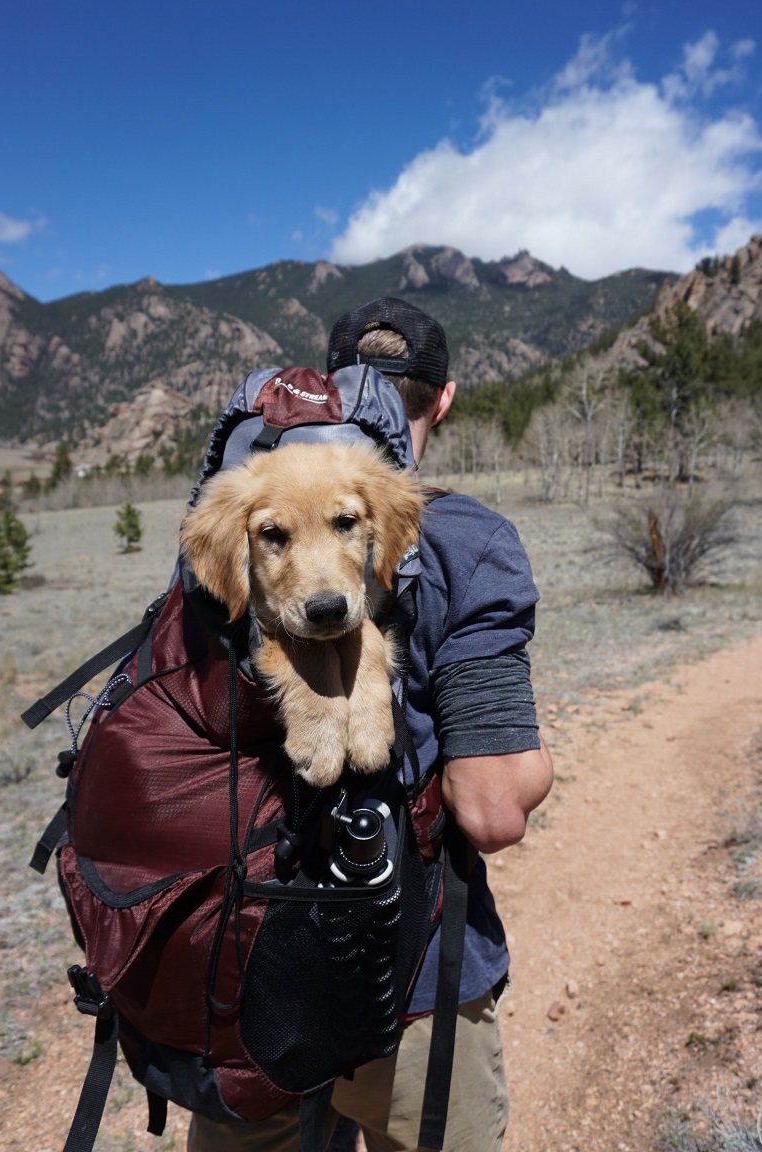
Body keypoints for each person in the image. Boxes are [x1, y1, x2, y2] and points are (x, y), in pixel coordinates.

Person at [188, 297, 554, 1152]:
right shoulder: (471, 541)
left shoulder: (245, 516)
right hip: (407, 982)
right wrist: (536, 760)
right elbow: (494, 810)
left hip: (240, 971)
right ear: (445, 399)